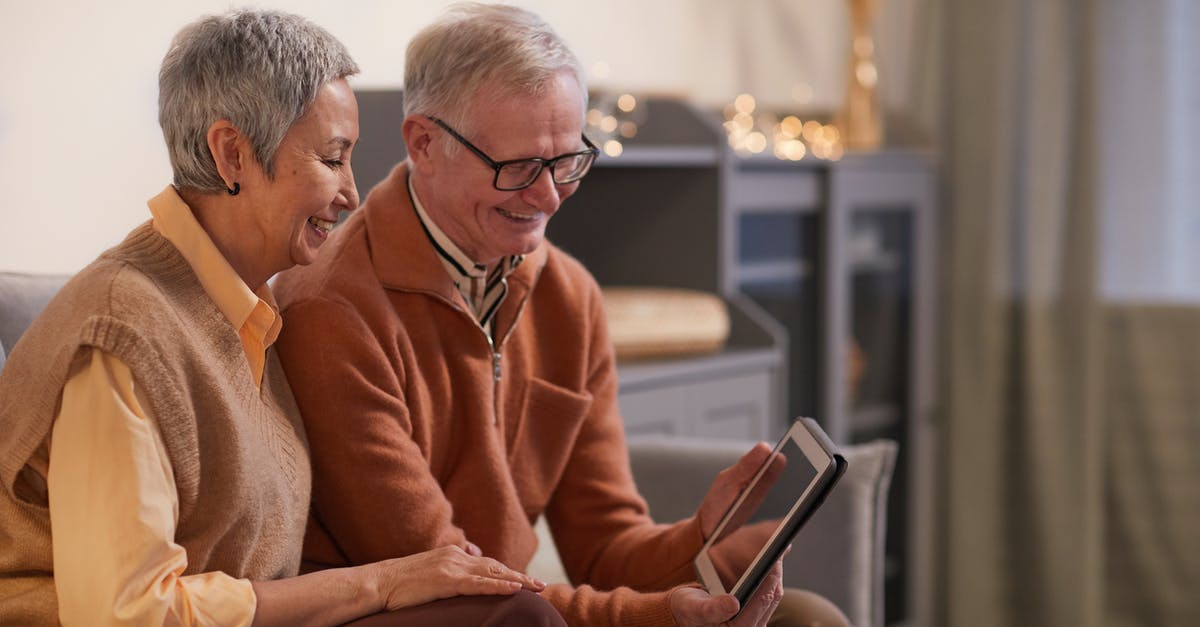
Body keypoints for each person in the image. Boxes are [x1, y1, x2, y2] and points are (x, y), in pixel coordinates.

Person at [273, 4, 850, 626]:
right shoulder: (333, 309)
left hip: (521, 605)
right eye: (518, 167)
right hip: (420, 610)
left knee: (807, 617)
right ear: (424, 143)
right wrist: (656, 614)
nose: (548, 197)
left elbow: (604, 547)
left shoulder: (569, 296)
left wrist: (702, 539)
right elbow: (448, 575)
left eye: (568, 160)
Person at [0, 9, 564, 626]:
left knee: (506, 611)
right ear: (233, 154)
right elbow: (128, 615)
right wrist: (379, 584)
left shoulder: (247, 311)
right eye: (331, 159)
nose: (351, 192)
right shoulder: (121, 333)